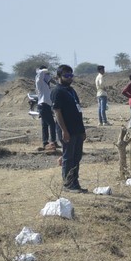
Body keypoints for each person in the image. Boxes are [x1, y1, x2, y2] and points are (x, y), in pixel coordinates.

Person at [51, 64, 87, 193]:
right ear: (59, 76)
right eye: (66, 75)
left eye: (71, 75)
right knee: (68, 157)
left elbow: (78, 111)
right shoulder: (57, 91)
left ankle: (75, 182)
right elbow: (58, 113)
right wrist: (64, 131)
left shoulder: (71, 91)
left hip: (77, 129)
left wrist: (82, 130)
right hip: (67, 130)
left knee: (77, 157)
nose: (69, 78)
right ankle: (67, 184)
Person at [35, 65, 58, 151]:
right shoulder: (39, 82)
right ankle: (53, 141)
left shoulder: (45, 84)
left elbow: (53, 81)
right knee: (52, 124)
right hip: (43, 105)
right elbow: (40, 74)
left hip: (47, 106)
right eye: (46, 74)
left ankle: (45, 142)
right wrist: (43, 70)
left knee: (44, 125)